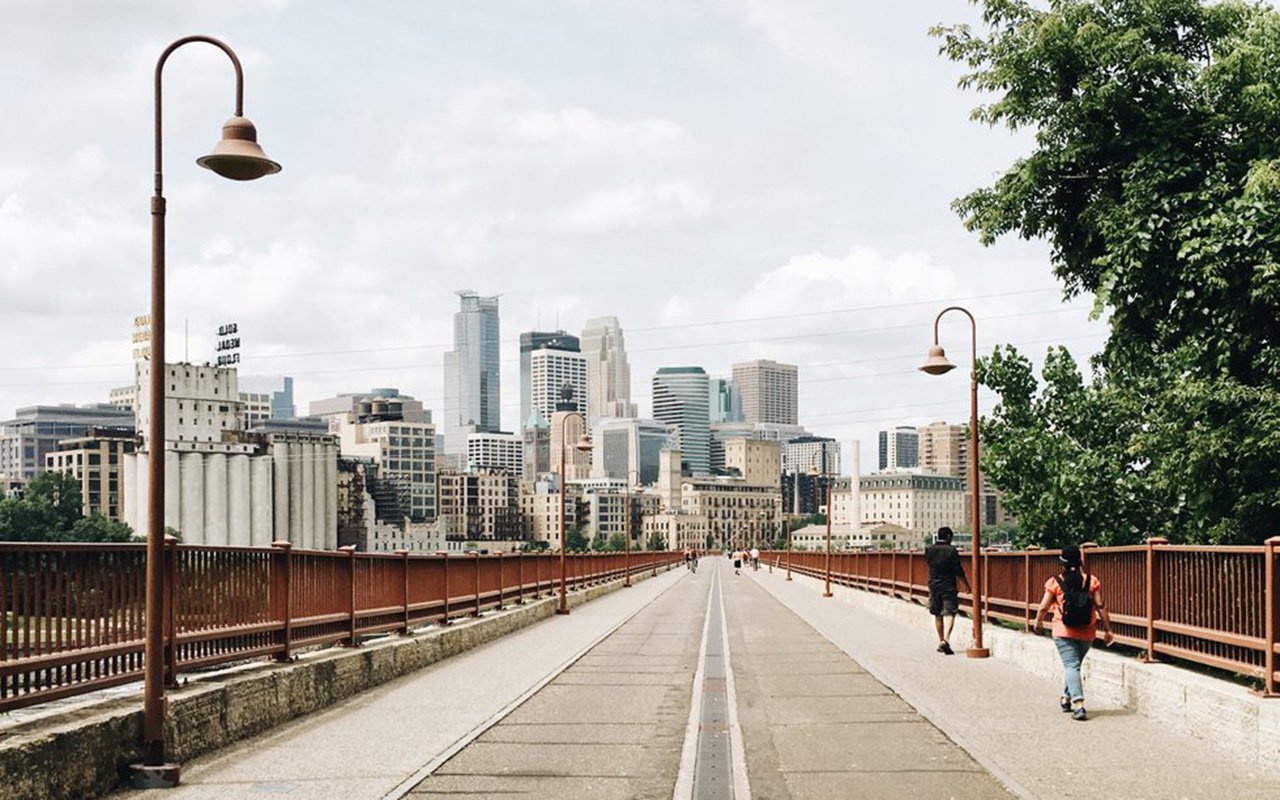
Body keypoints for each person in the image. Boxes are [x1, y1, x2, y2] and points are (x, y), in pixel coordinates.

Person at [1033, 544, 1114, 721]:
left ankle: (1079, 704)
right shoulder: (1091, 581)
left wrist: (1038, 622)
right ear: (1080, 562)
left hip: (1063, 630)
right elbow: (1100, 606)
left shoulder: (1054, 582)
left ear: (1061, 564)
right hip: (1087, 631)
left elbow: (1043, 606)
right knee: (1074, 665)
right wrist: (1108, 629)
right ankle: (1066, 698)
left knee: (1072, 666)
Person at [925, 526, 970, 655]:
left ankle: (940, 640)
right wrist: (966, 585)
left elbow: (929, 564)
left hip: (933, 585)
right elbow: (958, 571)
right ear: (949, 537)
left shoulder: (929, 550)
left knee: (937, 614)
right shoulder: (951, 551)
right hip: (948, 586)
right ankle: (946, 639)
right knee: (950, 613)